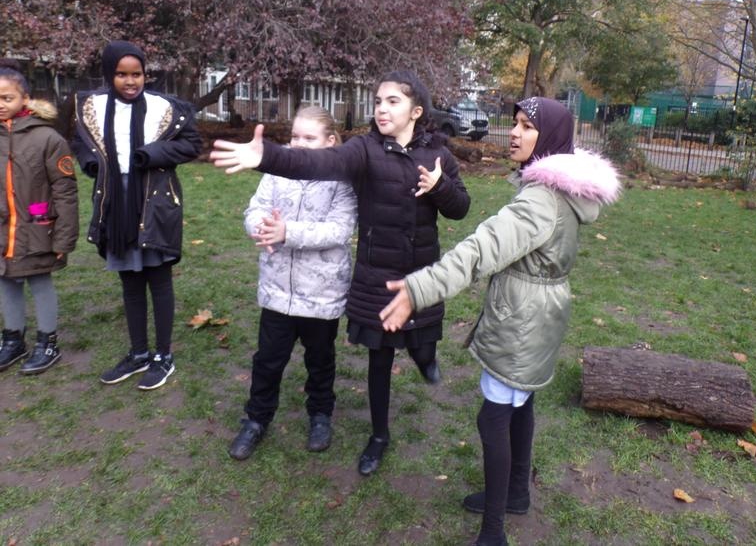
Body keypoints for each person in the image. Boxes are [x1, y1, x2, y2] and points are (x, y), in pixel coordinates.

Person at [379, 97, 621, 546]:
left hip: (522, 320)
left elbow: (481, 249)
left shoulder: (541, 200)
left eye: (527, 126)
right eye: (515, 123)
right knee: (520, 404)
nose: (513, 132)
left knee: (493, 419)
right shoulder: (560, 193)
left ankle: (493, 532)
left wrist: (419, 288)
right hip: (541, 311)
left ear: (548, 139)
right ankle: (516, 494)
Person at [210, 70, 470, 475]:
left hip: (420, 270)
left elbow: (460, 208)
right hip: (376, 274)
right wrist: (267, 157)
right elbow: (320, 161)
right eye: (378, 101)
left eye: (393, 101)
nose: (381, 108)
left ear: (416, 111)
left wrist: (440, 187)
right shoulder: (365, 149)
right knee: (380, 357)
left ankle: (425, 357)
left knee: (421, 342)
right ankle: (378, 436)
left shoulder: (438, 156)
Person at [72, 40, 202, 390]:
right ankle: (139, 352)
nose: (130, 81)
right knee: (130, 282)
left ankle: (163, 356)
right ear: (109, 74)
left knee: (158, 280)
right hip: (115, 204)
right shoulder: (93, 108)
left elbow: (192, 144)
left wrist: (153, 153)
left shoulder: (165, 108)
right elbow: (81, 142)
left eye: (137, 74)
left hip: (155, 202)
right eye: (121, 74)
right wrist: (90, 163)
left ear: (146, 74)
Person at [228, 106, 357, 460]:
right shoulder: (277, 170)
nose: (298, 144)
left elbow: (339, 229)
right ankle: (257, 418)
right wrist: (261, 228)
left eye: (309, 138)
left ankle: (320, 414)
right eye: (295, 136)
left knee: (320, 359)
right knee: (268, 360)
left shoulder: (341, 179)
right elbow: (255, 208)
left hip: (321, 292)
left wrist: (288, 232)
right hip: (278, 290)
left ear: (330, 141)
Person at [0, 62, 78, 374]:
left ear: (25, 98)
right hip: (3, 232)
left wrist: (64, 238)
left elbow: (65, 190)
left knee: (39, 280)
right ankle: (12, 338)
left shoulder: (47, 138)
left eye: (7, 98)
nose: (0, 104)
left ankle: (48, 341)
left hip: (37, 229)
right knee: (6, 281)